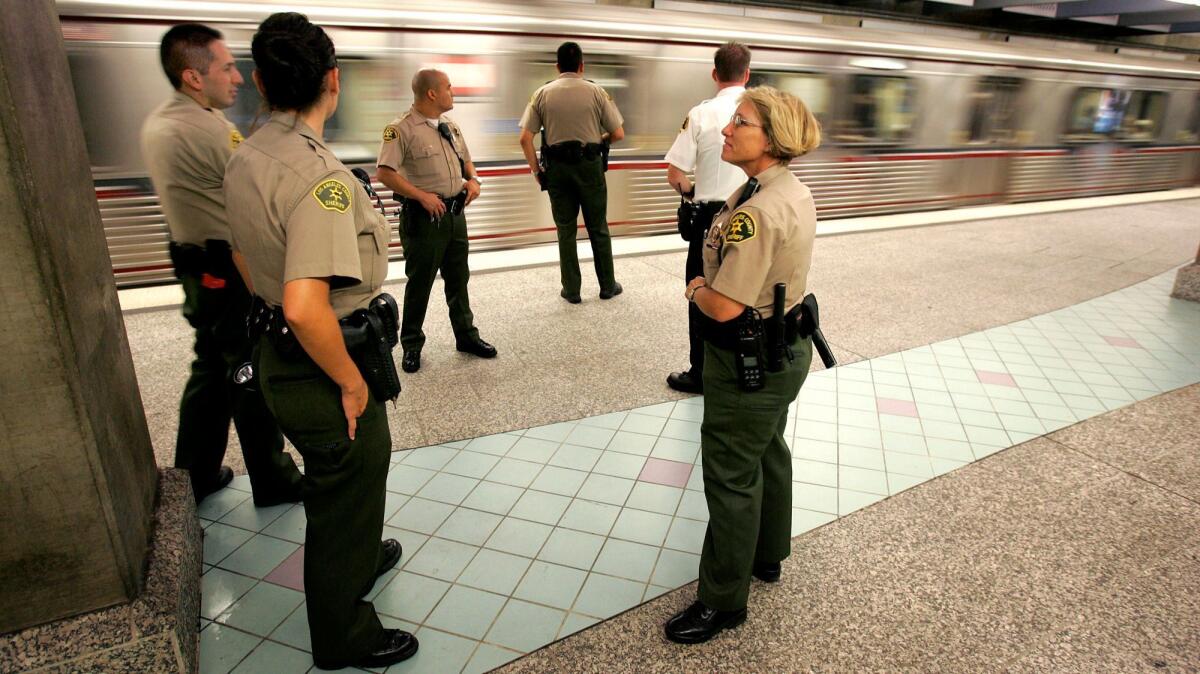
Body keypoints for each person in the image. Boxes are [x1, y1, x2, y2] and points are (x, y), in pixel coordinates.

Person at [222, 13, 414, 669]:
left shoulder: (246, 152)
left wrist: (275, 305)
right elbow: (308, 308)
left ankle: (362, 545)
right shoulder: (320, 179)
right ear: (332, 81)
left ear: (258, 82)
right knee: (347, 486)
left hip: (276, 353)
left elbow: (244, 259)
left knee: (343, 489)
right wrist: (353, 381)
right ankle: (345, 634)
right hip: (324, 365)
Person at [665, 86, 821, 645]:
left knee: (731, 472)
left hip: (746, 357)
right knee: (768, 450)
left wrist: (696, 288)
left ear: (772, 139)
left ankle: (722, 600)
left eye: (742, 123)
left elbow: (726, 305)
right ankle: (768, 554)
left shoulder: (756, 210)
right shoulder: (788, 191)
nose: (727, 131)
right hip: (786, 349)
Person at [140, 23, 302, 505]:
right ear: (193, 77)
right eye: (227, 66)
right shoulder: (208, 129)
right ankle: (274, 479)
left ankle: (195, 472)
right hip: (223, 266)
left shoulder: (160, 121)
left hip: (193, 263)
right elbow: (251, 200)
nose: (237, 77)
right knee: (248, 370)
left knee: (211, 367)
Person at [377, 68, 496, 374]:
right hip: (424, 218)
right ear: (432, 93)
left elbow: (466, 161)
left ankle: (466, 336)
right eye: (448, 87)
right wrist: (420, 196)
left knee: (459, 280)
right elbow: (385, 173)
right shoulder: (401, 129)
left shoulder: (450, 126)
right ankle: (412, 345)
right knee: (420, 284)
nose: (452, 91)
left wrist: (474, 181)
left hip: (455, 216)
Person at [663, 42, 752, 395]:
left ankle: (700, 371)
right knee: (747, 287)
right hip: (754, 212)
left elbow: (675, 174)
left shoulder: (701, 114)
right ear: (747, 74)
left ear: (715, 74)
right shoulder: (762, 110)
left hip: (711, 219)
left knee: (700, 288)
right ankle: (742, 364)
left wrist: (690, 193)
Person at [518, 41, 625, 303]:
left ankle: (572, 290)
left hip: (557, 171)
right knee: (598, 227)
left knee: (565, 230)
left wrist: (537, 171)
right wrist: (599, 140)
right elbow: (619, 133)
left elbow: (524, 139)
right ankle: (607, 285)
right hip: (589, 168)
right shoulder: (597, 92)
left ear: (557, 66)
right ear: (581, 65)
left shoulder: (541, 94)